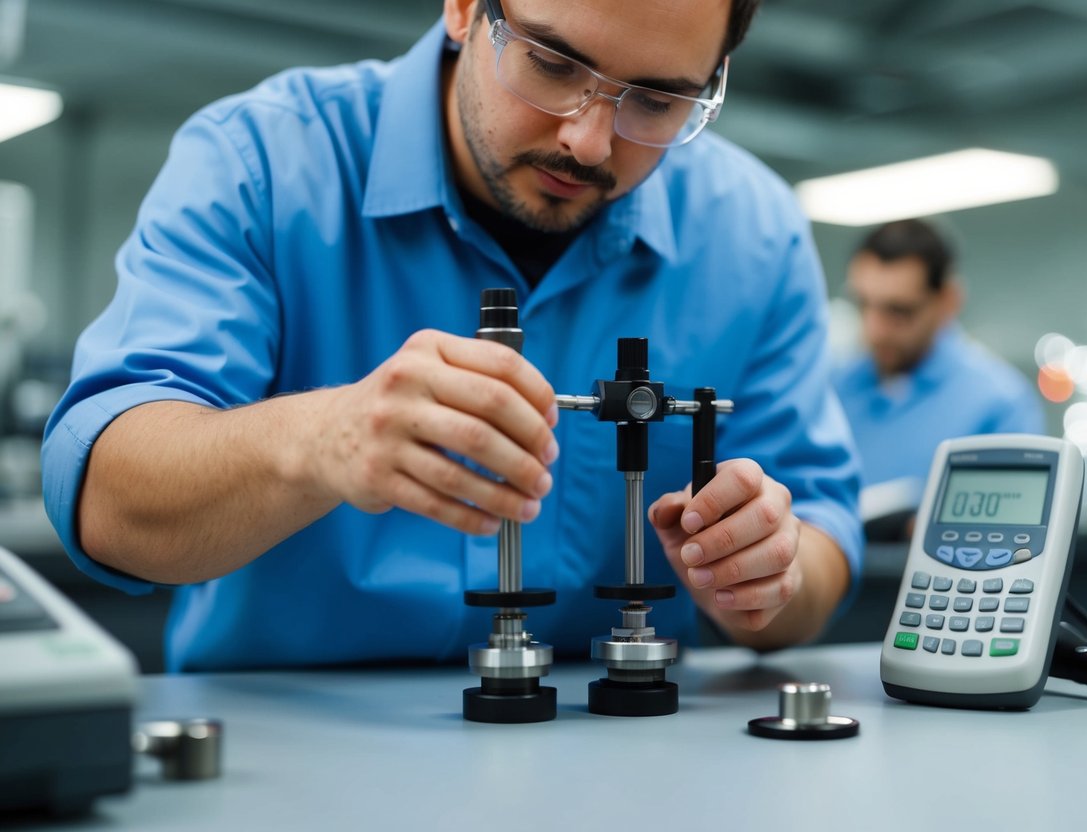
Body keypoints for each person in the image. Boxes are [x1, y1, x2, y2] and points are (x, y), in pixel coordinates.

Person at [41, 0, 862, 672]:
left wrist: (767, 573)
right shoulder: (260, 162)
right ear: (465, 8)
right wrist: (319, 439)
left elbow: (818, 545)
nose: (587, 139)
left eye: (654, 100)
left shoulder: (755, 235)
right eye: (551, 63)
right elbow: (108, 504)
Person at [833, 219, 1044, 511]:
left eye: (899, 311)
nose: (874, 330)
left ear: (948, 300)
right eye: (864, 305)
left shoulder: (1000, 405)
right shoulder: (835, 389)